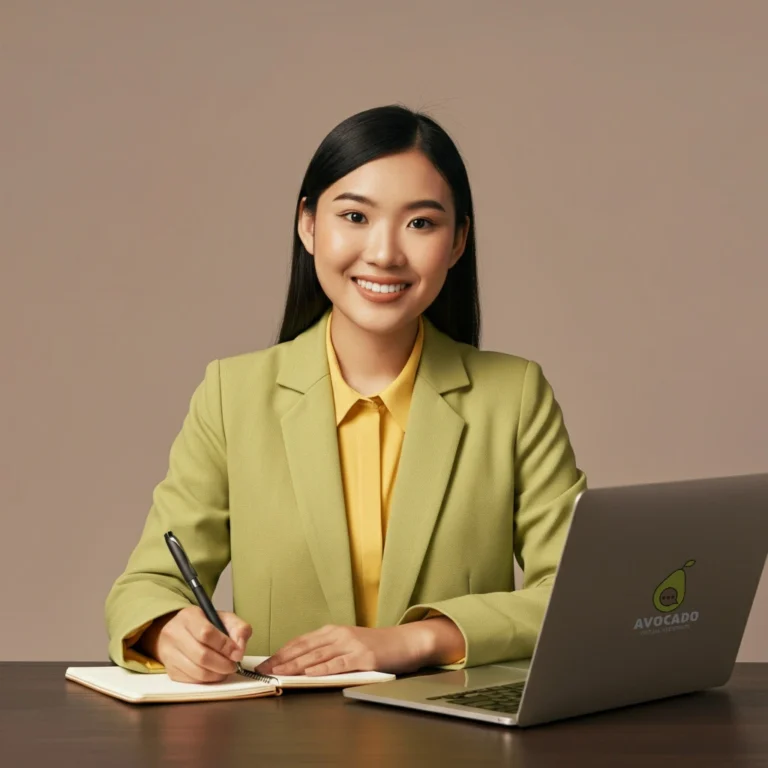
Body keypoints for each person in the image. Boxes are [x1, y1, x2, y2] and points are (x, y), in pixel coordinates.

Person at [105, 103, 587, 684]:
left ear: (458, 242)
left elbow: (577, 592)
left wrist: (415, 640)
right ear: (308, 224)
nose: (384, 253)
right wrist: (169, 629)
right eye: (355, 216)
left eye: (421, 223)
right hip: (282, 738)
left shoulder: (513, 397)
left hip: (455, 739)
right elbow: (147, 585)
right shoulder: (233, 396)